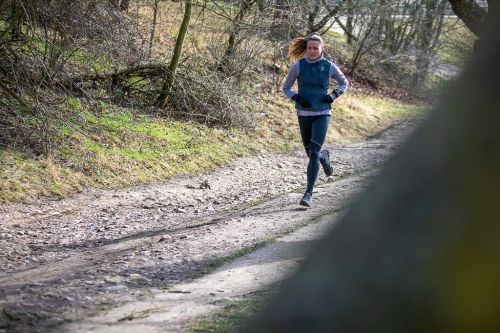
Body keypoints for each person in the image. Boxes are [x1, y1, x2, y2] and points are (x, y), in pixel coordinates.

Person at [282, 33, 349, 207]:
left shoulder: (329, 66)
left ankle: (308, 194)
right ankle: (324, 157)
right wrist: (295, 97)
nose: (312, 51)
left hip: (322, 112)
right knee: (311, 154)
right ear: (307, 48)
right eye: (310, 48)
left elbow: (344, 83)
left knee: (312, 153)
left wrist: (333, 95)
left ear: (321, 49)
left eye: (315, 48)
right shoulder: (298, 66)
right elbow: (286, 87)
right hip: (303, 113)